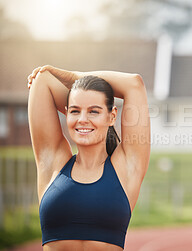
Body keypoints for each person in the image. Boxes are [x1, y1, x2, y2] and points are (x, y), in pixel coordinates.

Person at [27, 65, 150, 250]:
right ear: (66, 112)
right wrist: (81, 97)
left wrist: (74, 77)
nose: (83, 119)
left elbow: (134, 84)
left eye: (94, 111)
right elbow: (42, 79)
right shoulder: (53, 162)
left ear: (112, 116)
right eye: (75, 111)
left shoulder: (126, 167)